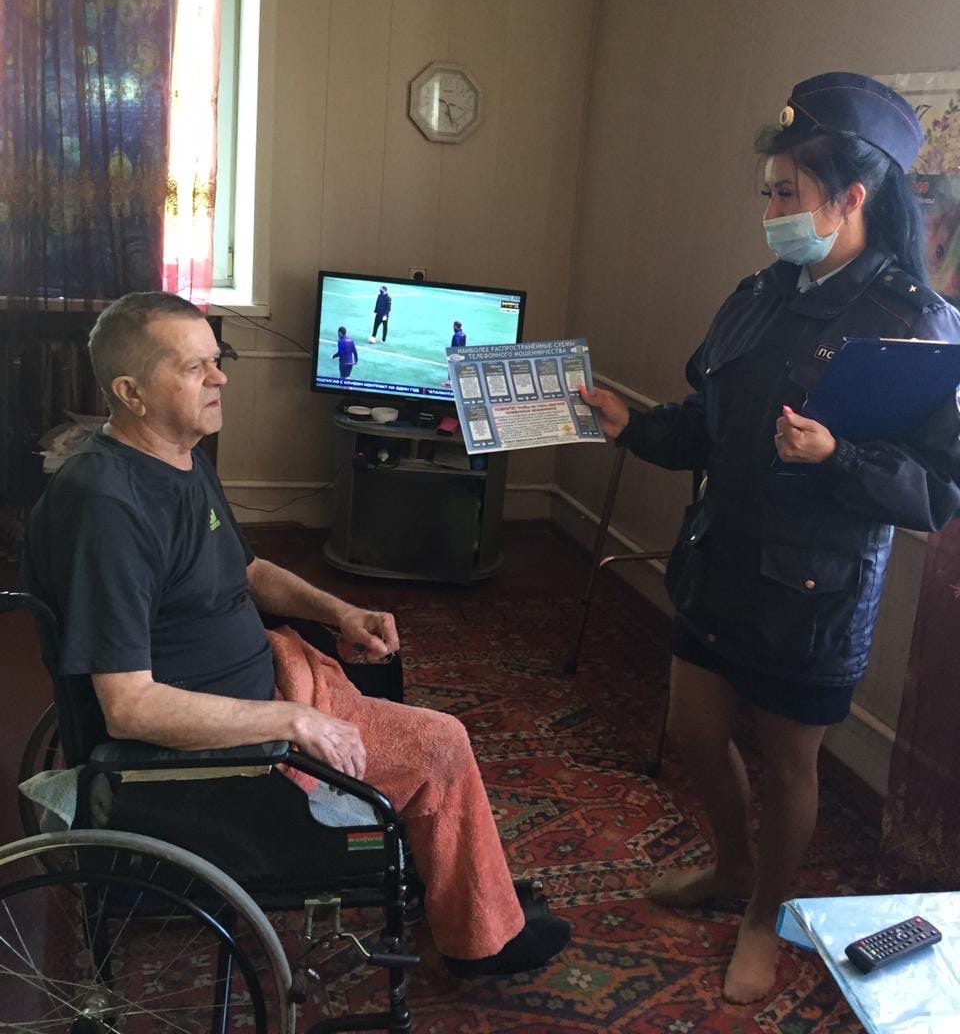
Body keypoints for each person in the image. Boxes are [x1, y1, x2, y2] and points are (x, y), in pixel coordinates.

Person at [23, 291, 570, 977]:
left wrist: (339, 611)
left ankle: (462, 886)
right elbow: (129, 707)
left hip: (272, 681)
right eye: (195, 368)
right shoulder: (109, 509)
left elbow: (247, 571)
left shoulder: (179, 458)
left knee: (394, 703)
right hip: (228, 750)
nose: (220, 379)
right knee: (441, 744)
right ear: (131, 392)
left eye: (218, 360)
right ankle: (481, 940)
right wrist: (293, 720)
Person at [580, 72, 960, 1004]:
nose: (771, 213)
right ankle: (730, 866)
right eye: (769, 193)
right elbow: (707, 425)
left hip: (813, 597)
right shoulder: (760, 294)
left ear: (851, 197)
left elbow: (935, 495)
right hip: (717, 565)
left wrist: (837, 458)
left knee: (791, 767)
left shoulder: (916, 326)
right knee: (695, 730)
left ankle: (764, 914)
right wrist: (633, 424)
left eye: (787, 193)